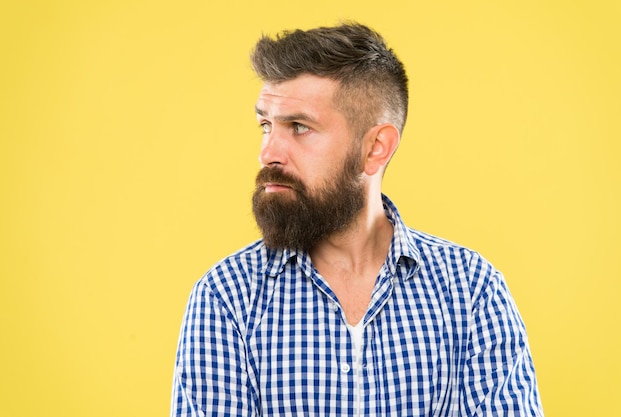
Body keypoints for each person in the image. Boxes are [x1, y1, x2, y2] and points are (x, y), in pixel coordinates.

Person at [171, 22, 543, 416]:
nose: (269, 153)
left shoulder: (472, 292)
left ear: (375, 148)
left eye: (299, 127)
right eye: (266, 125)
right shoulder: (226, 299)